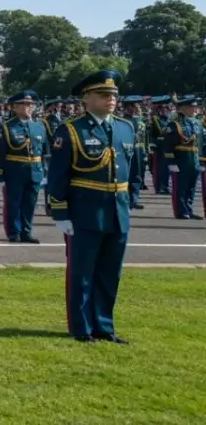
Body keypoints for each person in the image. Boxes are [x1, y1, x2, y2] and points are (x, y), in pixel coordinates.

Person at [48, 69, 140, 344]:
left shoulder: (125, 127)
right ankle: (82, 327)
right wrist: (60, 212)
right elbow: (58, 175)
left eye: (113, 95)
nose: (110, 99)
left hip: (117, 209)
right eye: (103, 94)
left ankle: (104, 326)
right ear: (86, 98)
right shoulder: (72, 129)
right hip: (85, 211)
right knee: (82, 272)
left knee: (110, 272)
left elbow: (134, 168)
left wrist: (131, 200)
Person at [0, 90, 46, 243]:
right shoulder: (6, 127)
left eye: (30, 104)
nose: (28, 107)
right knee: (14, 203)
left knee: (30, 204)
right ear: (14, 108)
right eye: (24, 104)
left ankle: (26, 232)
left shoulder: (40, 127)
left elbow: (45, 152)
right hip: (15, 170)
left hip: (35, 170)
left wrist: (45, 173)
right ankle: (14, 232)